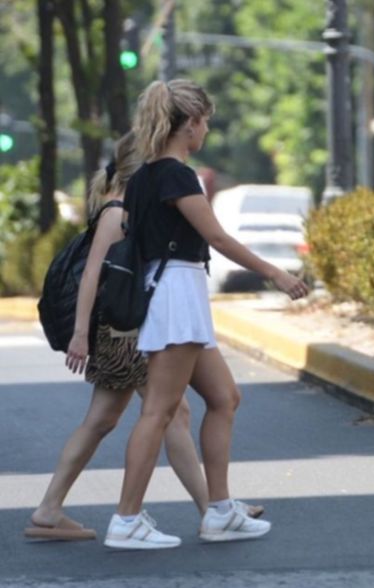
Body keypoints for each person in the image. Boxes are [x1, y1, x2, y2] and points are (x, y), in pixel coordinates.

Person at [24, 133, 261, 542]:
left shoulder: (124, 206)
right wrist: (81, 333)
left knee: (115, 418)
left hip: (123, 328)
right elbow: (94, 274)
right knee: (160, 414)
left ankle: (51, 508)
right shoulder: (119, 212)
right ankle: (210, 509)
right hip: (125, 332)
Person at [103, 79, 307, 550]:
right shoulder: (176, 175)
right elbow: (217, 237)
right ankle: (126, 519)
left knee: (224, 397)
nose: (207, 130)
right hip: (176, 290)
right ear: (189, 124)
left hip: (174, 289)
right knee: (158, 411)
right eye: (205, 121)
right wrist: (275, 272)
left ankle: (219, 511)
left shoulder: (142, 178)